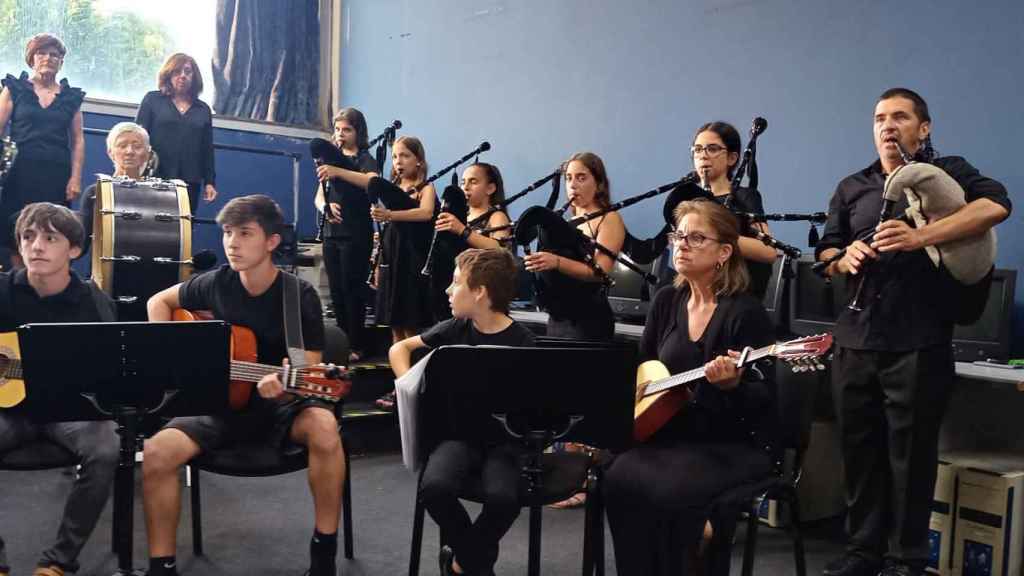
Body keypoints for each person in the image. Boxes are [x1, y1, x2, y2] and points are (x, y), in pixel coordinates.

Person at [815, 88, 1011, 576]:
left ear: (923, 128)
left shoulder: (950, 172)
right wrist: (843, 258)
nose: (888, 125)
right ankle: (862, 553)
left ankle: (906, 561)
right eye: (879, 118)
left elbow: (995, 207)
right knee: (859, 454)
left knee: (911, 460)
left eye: (900, 117)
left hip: (919, 341)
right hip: (855, 340)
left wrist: (919, 236)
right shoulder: (852, 186)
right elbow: (826, 252)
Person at [142, 195, 344, 576]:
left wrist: (285, 383)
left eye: (245, 233)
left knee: (325, 427)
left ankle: (323, 554)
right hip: (220, 405)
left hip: (281, 406)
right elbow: (158, 302)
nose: (232, 243)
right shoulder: (216, 283)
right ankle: (161, 566)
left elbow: (308, 369)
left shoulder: (296, 295)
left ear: (271, 241)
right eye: (227, 233)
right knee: (155, 452)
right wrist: (171, 351)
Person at [603, 199, 779, 576]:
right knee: (617, 476)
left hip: (729, 442)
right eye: (678, 236)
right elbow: (643, 367)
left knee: (671, 490)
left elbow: (765, 399)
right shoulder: (667, 300)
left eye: (696, 238)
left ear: (724, 252)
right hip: (671, 435)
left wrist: (732, 386)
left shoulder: (745, 312)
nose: (681, 245)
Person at [390, 248, 535, 576]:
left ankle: (459, 564)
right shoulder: (454, 328)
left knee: (504, 499)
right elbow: (400, 348)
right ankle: (476, 564)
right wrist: (410, 385)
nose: (447, 290)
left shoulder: (524, 342)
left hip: (503, 444)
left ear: (480, 292)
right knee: (434, 489)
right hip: (457, 437)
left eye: (455, 283)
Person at [0, 203, 118, 576]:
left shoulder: (94, 302)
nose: (36, 246)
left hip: (69, 412)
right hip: (8, 410)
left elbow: (113, 369)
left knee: (106, 448)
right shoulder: (2, 290)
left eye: (51, 238)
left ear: (75, 250)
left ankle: (59, 560)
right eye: (28, 237)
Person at [0, 34, 85, 269]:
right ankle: (19, 282)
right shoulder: (14, 88)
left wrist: (75, 178)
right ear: (32, 58)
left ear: (61, 62)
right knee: (15, 231)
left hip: (56, 175)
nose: (48, 58)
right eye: (41, 53)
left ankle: (44, 282)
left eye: (54, 55)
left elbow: (78, 140)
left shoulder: (71, 97)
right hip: (18, 173)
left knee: (52, 230)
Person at [522, 152, 624, 341]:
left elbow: (600, 271)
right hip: (558, 318)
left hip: (588, 321)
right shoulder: (567, 221)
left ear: (599, 183)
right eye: (568, 178)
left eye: (581, 178)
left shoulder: (608, 219)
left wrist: (557, 262)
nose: (573, 185)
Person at [313, 107, 378, 363]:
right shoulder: (328, 160)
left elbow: (371, 181)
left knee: (353, 289)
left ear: (358, 132)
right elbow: (319, 195)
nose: (341, 134)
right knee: (337, 290)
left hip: (356, 231)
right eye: (338, 129)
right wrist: (325, 207)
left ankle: (357, 344)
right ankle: (341, 343)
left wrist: (338, 171)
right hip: (332, 233)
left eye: (347, 129)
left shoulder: (364, 158)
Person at [692, 122, 777, 297]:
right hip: (697, 293)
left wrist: (715, 239)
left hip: (735, 293)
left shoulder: (745, 197)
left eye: (712, 149)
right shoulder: (689, 200)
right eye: (698, 149)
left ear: (732, 158)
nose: (703, 156)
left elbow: (768, 251)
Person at [135, 53, 217, 214]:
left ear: (194, 77)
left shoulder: (203, 109)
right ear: (168, 74)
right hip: (155, 175)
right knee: (150, 222)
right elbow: (138, 138)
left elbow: (207, 148)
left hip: (189, 181)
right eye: (177, 71)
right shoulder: (152, 100)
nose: (182, 76)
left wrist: (210, 182)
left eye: (188, 71)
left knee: (184, 225)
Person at [78, 121, 153, 256]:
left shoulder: (156, 195)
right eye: (122, 146)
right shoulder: (95, 192)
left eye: (137, 146)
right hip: (103, 268)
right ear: (110, 153)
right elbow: (80, 245)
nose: (129, 151)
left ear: (147, 154)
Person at [434, 162, 513, 250]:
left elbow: (501, 249)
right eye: (463, 182)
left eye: (473, 182)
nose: (465, 187)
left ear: (490, 188)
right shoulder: (462, 214)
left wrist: (462, 230)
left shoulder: (497, 216)